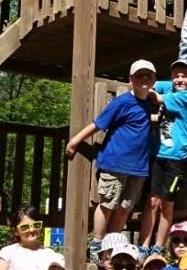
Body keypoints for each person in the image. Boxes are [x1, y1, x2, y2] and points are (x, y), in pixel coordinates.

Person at [65, 59, 159, 255]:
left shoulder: (151, 103)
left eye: (148, 75)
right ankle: (97, 242)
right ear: (130, 79)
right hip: (116, 163)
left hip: (139, 167)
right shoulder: (122, 102)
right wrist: (75, 141)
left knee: (125, 207)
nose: (144, 79)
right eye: (139, 75)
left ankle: (112, 243)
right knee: (108, 203)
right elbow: (98, 124)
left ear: (153, 80)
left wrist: (154, 96)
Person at [138, 60, 187, 255]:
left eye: (184, 76)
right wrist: (149, 80)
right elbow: (155, 84)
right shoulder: (171, 86)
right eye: (176, 75)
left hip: (177, 160)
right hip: (158, 155)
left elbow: (155, 96)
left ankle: (158, 247)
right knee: (152, 201)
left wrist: (144, 87)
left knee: (167, 202)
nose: (180, 79)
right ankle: (144, 246)